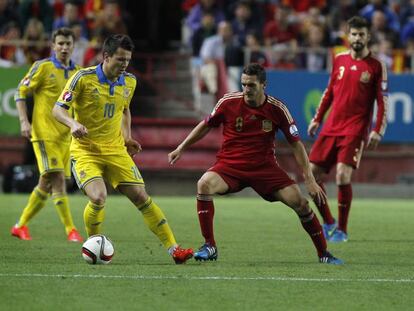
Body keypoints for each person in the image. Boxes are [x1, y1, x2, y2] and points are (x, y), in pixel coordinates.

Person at [168, 63, 343, 265]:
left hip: (264, 169)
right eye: (243, 85)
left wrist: (310, 180)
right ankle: (210, 246)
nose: (246, 90)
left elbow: (297, 145)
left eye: (251, 85)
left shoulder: (277, 109)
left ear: (263, 85)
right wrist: (181, 147)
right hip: (230, 165)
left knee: (301, 204)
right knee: (203, 184)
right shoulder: (228, 102)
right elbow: (205, 125)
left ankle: (324, 254)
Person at [52, 34, 193, 264]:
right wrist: (73, 123)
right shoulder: (82, 78)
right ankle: (93, 243)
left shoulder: (129, 81)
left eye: (127, 60)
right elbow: (58, 109)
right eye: (120, 59)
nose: (124, 65)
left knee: (142, 197)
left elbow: (124, 109)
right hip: (86, 151)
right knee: (98, 197)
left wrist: (127, 137)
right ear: (106, 57)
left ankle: (174, 249)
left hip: (116, 150)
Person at [307, 16, 388, 243]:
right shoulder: (339, 59)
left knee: (343, 174)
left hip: (355, 128)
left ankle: (342, 230)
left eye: (362, 34)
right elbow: (329, 91)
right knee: (311, 174)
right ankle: (329, 221)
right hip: (332, 125)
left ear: (368, 37)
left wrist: (377, 130)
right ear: (348, 35)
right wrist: (317, 118)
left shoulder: (376, 66)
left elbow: (383, 101)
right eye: (354, 34)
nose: (357, 38)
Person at [11, 27, 83, 242]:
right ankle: (71, 230)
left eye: (68, 43)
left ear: (73, 46)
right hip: (44, 134)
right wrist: (24, 121)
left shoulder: (78, 72)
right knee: (58, 179)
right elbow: (20, 91)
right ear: (53, 45)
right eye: (60, 43)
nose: (64, 47)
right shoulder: (42, 67)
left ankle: (20, 225)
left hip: (65, 137)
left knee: (46, 183)